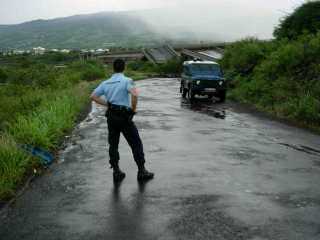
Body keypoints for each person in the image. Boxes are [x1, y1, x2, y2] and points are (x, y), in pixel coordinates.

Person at [90, 59, 154, 182]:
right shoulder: (127, 80)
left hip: (111, 116)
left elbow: (93, 96)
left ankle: (116, 171)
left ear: (113, 68)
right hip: (124, 116)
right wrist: (133, 110)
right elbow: (135, 95)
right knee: (135, 143)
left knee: (113, 144)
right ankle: (141, 171)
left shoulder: (105, 83)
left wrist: (108, 104)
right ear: (124, 67)